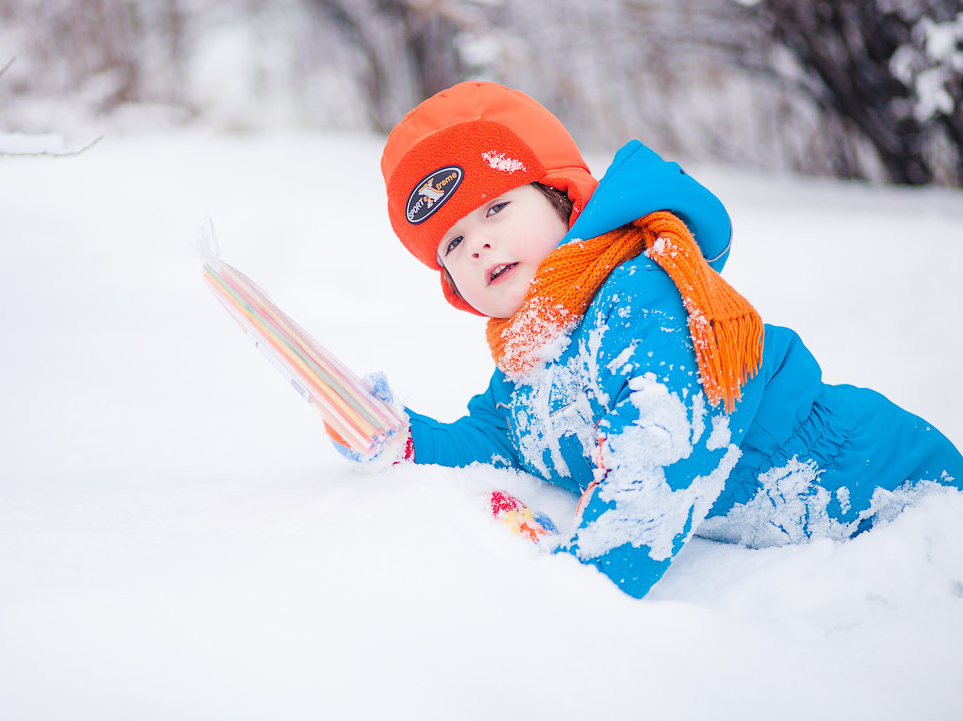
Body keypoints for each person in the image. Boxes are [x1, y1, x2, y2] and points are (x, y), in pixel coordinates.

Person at [334, 80, 962, 599]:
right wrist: (403, 438)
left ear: (561, 200)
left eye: (495, 208)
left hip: (883, 488)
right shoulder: (528, 357)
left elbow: (660, 446)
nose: (478, 244)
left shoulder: (640, 292)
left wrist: (581, 585)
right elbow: (500, 440)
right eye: (452, 243)